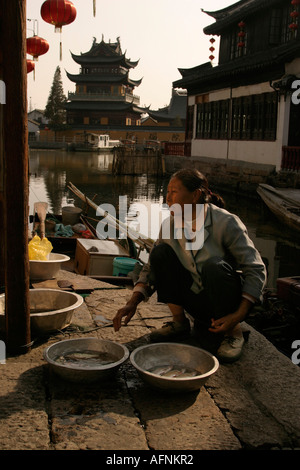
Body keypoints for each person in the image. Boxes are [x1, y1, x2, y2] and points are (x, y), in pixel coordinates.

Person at [113, 168, 267, 362]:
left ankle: (233, 333)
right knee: (161, 253)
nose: (167, 198)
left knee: (214, 266)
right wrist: (132, 302)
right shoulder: (169, 225)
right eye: (167, 191)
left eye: (174, 192)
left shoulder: (226, 222)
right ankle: (179, 322)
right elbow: (151, 268)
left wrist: (238, 315)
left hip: (222, 301)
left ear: (195, 195)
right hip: (194, 301)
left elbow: (256, 269)